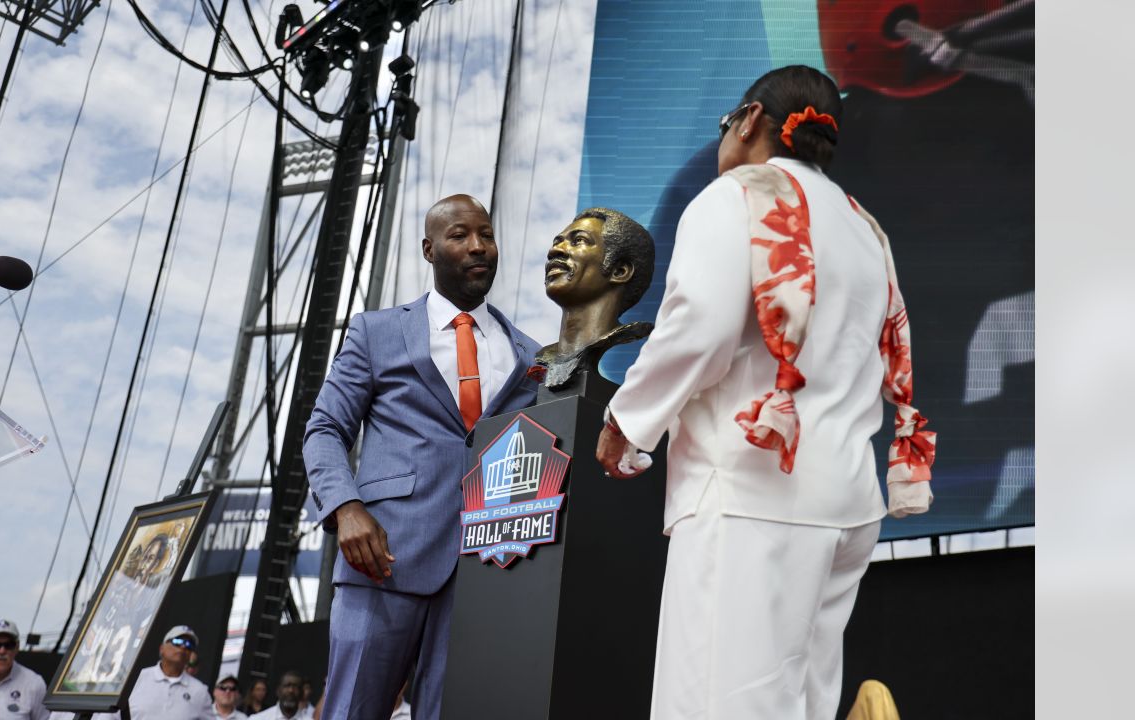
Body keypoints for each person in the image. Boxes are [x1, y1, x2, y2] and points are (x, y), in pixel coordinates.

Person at [595, 65, 935, 719]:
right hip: (846, 502)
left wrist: (628, 420)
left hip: (753, 498)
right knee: (799, 704)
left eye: (726, 124)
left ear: (750, 119)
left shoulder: (738, 196)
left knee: (717, 705)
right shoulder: (865, 227)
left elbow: (702, 327)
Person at [304, 194, 541, 719]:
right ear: (429, 250)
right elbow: (323, 429)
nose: (478, 246)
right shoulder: (377, 332)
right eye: (460, 235)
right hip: (383, 559)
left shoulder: (530, 356)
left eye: (487, 234)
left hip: (484, 571)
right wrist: (346, 508)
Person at [535, 207, 656, 388]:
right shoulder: (538, 358)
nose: (554, 251)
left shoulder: (647, 354)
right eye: (557, 242)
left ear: (619, 271)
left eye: (578, 241)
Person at [100, 625, 214, 720]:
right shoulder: (134, 679)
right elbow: (106, 716)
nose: (183, 647)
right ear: (162, 648)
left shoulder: (200, 691)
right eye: (177, 641)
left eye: (189, 645)